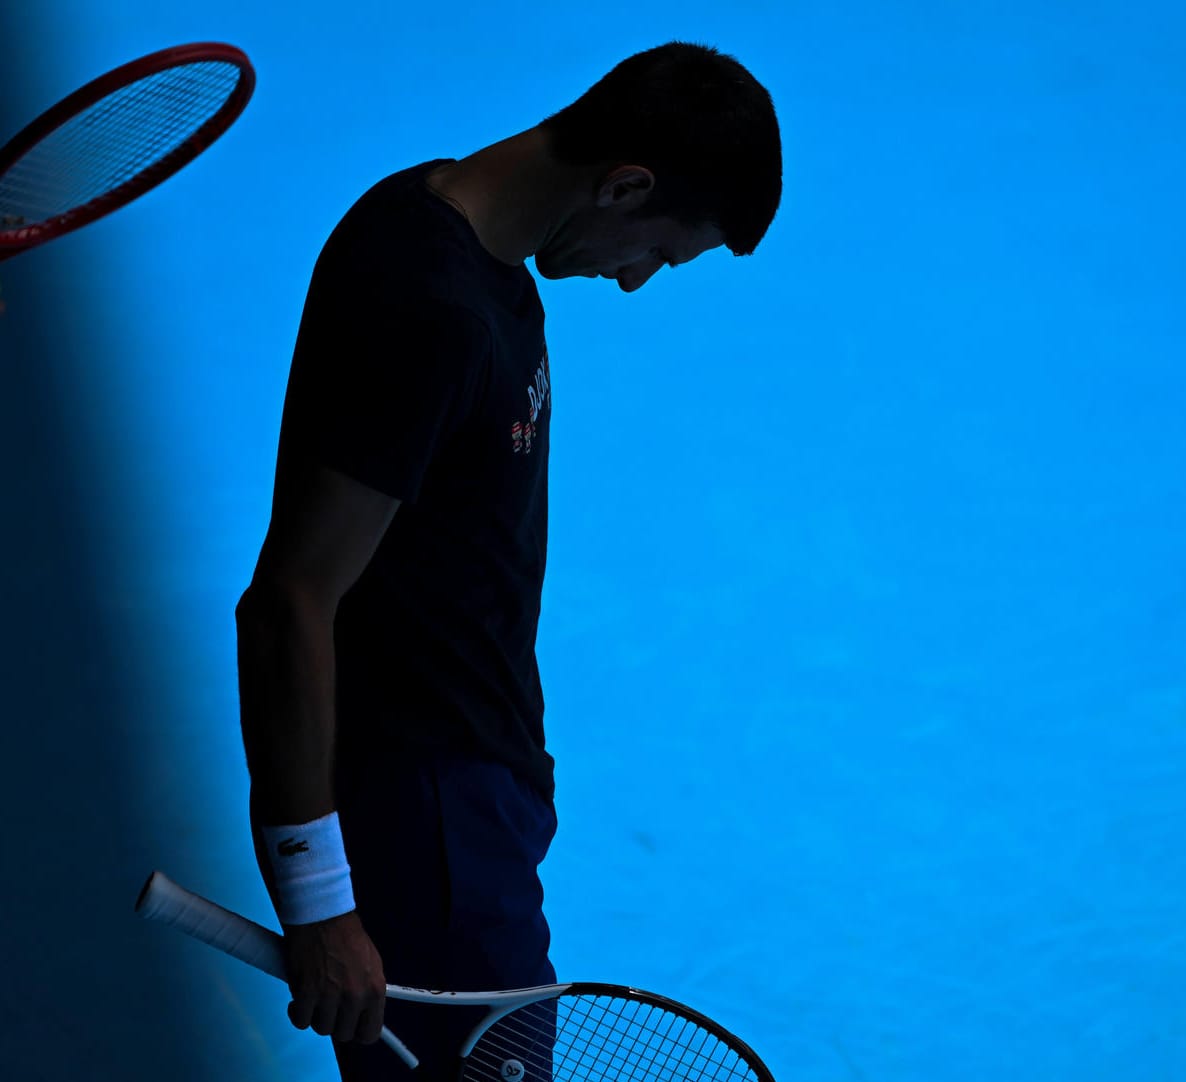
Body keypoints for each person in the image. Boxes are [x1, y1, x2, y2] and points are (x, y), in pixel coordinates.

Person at [234, 41, 782, 1081]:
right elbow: (289, 600)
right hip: (428, 824)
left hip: (474, 800)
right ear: (625, 184)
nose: (632, 279)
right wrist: (318, 898)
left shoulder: (449, 239)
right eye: (658, 251)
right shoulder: (431, 308)